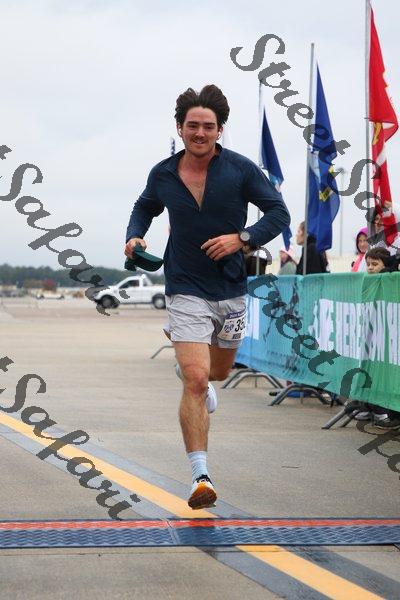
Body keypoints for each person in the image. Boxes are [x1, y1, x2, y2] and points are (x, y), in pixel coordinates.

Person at [124, 85, 290, 509]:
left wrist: (243, 238)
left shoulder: (240, 169)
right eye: (192, 125)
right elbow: (144, 207)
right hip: (184, 285)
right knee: (196, 380)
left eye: (208, 126)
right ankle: (201, 476)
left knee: (216, 373)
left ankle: (194, 373)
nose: (200, 133)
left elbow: (279, 213)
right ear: (180, 127)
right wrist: (134, 236)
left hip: (230, 287)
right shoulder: (163, 173)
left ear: (219, 130)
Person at [354, 247, 400, 429]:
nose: (370, 268)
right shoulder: (367, 282)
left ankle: (382, 410)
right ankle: (368, 405)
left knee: (384, 374)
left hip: (387, 339)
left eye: (375, 264)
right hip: (371, 338)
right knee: (369, 371)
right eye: (368, 264)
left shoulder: (390, 280)